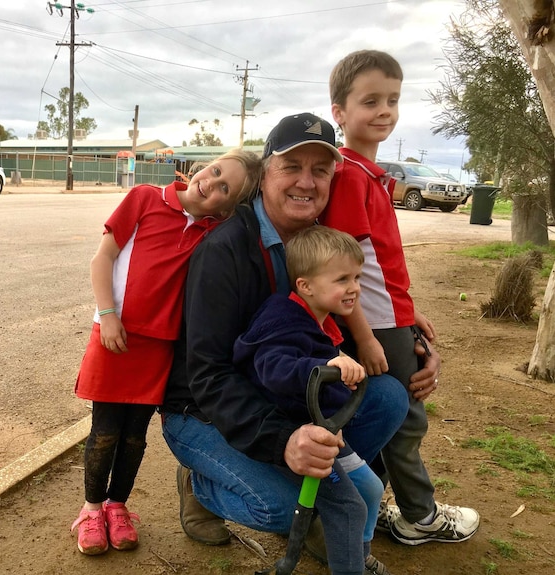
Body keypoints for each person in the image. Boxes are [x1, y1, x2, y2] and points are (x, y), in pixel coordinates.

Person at [160, 112, 414, 575]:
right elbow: (207, 374)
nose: (306, 182)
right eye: (291, 166)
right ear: (264, 175)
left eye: (320, 170)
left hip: (281, 393)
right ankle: (201, 483)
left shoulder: (321, 243)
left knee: (388, 398)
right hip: (200, 410)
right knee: (277, 510)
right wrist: (284, 441)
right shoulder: (226, 251)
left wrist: (417, 339)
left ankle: (320, 506)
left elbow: (366, 296)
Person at [70, 149, 263, 555]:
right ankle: (90, 510)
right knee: (105, 431)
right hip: (114, 337)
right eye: (214, 172)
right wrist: (108, 315)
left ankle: (118, 507)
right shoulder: (144, 198)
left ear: (227, 210)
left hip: (159, 349)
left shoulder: (212, 234)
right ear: (201, 167)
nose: (210, 184)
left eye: (224, 188)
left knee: (135, 438)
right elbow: (102, 257)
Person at [323, 49, 480, 545]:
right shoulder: (349, 177)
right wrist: (368, 337)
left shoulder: (368, 175)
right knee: (404, 421)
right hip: (376, 326)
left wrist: (413, 313)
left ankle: (368, 516)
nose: (385, 111)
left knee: (396, 418)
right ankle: (419, 515)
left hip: (391, 318)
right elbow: (344, 272)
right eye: (370, 100)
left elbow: (378, 269)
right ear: (340, 113)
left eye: (392, 99)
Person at [233, 225, 406, 573]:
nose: (354, 288)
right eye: (342, 279)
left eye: (357, 277)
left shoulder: (319, 318)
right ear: (305, 286)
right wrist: (326, 364)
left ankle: (358, 554)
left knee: (371, 489)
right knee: (350, 508)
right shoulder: (283, 320)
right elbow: (273, 369)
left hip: (315, 427)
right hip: (283, 433)